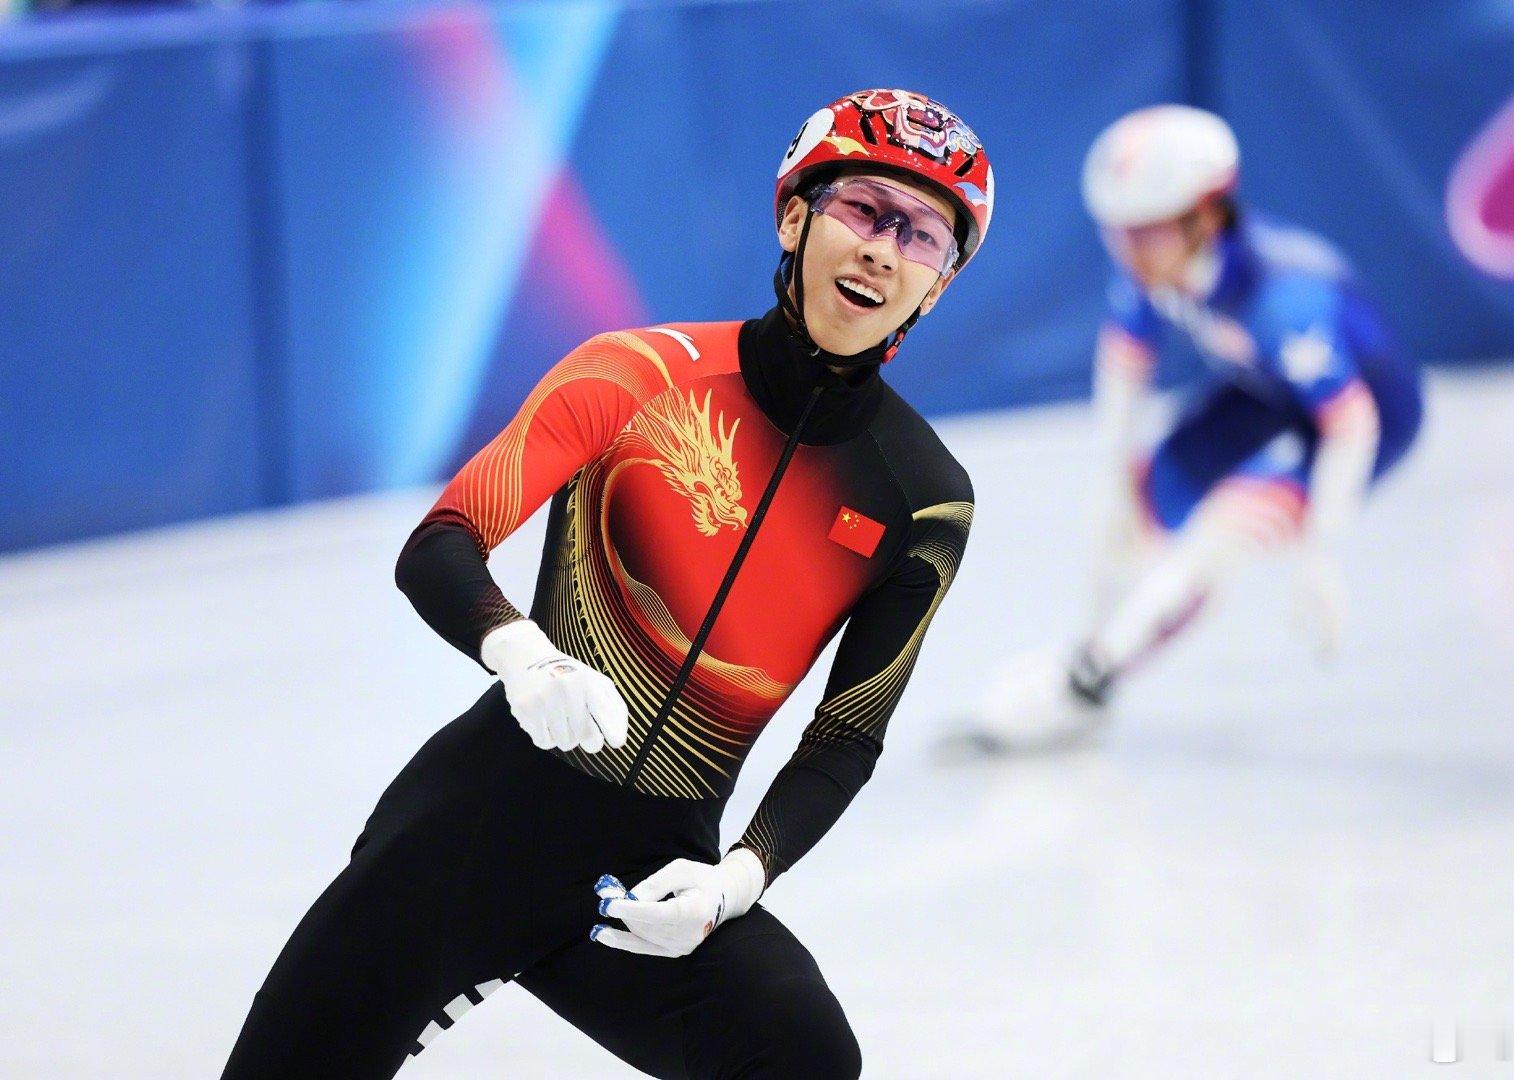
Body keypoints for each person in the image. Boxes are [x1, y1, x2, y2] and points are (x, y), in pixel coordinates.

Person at [221, 87, 992, 1078]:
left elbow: (846, 735)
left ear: (938, 285)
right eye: (863, 210)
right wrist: (521, 652)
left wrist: (738, 878)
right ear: (794, 218)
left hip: (646, 877)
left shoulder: (925, 499)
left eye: (921, 235)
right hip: (472, 830)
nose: (883, 250)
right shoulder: (634, 373)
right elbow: (444, 540)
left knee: (802, 1056)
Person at [961, 104, 1422, 754]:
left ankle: (1086, 681)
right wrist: (1111, 478)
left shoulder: (1284, 299)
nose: (1127, 254)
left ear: (1204, 218)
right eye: (1116, 234)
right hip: (1265, 391)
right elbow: (1124, 368)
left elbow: (1350, 427)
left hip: (1362, 419)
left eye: (1143, 234)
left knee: (1215, 537)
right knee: (1138, 503)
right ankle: (1095, 656)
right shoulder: (1158, 260)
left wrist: (1322, 549)